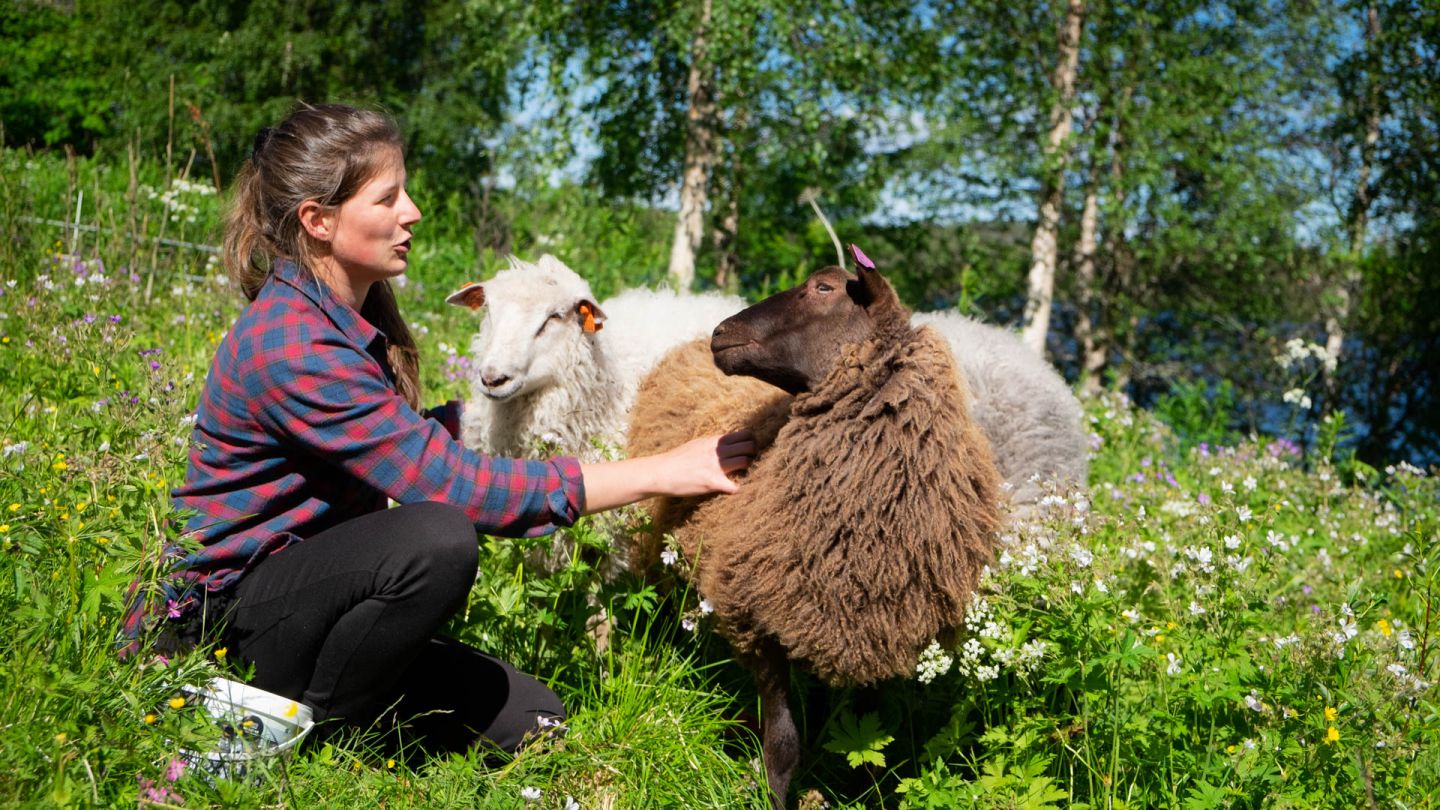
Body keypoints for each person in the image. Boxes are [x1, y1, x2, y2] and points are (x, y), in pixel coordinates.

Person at [121, 102, 754, 758]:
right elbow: (456, 489)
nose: (413, 211)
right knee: (438, 535)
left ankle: (348, 701)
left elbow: (389, 442)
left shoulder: (339, 320)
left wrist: (494, 419)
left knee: (536, 722)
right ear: (319, 221)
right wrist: (663, 469)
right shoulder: (293, 343)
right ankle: (309, 740)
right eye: (389, 197)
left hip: (320, 598)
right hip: (235, 616)